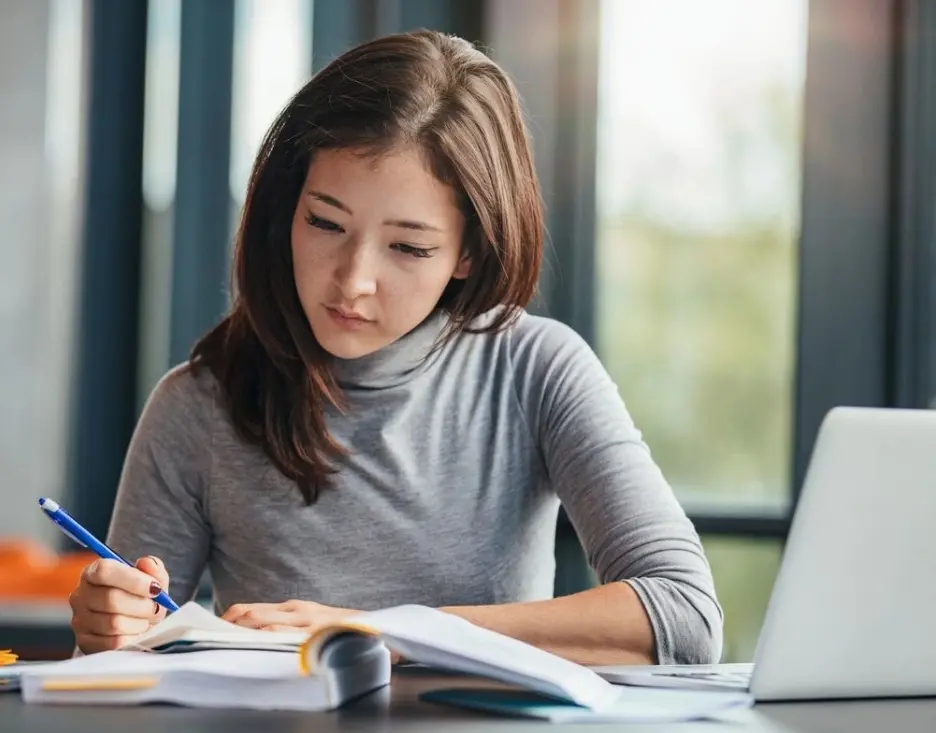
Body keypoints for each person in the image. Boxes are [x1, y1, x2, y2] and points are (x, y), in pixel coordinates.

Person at [67, 29, 723, 666]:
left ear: (469, 252)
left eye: (408, 247)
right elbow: (120, 674)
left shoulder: (536, 370)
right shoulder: (200, 406)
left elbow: (685, 616)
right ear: (285, 207)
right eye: (325, 222)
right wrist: (108, 633)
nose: (352, 281)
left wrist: (385, 631)